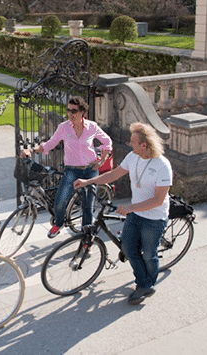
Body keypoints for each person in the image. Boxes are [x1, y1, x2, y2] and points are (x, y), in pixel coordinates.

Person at [74, 122, 172, 305]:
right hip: (136, 213)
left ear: (144, 145)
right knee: (127, 248)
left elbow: (158, 200)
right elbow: (112, 175)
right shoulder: (133, 157)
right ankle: (143, 283)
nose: (129, 143)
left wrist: (129, 208)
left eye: (133, 141)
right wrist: (88, 181)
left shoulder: (162, 166)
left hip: (154, 217)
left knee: (149, 255)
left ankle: (145, 285)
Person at [20, 96, 112, 238]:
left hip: (90, 170)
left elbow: (107, 141)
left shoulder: (92, 126)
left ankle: (86, 239)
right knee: (60, 200)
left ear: (82, 112)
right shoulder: (63, 127)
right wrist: (31, 150)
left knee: (87, 207)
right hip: (72, 170)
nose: (70, 114)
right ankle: (59, 222)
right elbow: (50, 144)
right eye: (68, 110)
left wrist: (102, 160)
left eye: (74, 111)